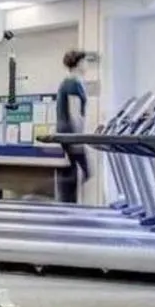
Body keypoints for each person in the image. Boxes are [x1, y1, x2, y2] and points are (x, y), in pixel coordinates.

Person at [57, 50, 90, 204]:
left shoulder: (70, 82)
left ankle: (67, 204)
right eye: (85, 61)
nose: (86, 65)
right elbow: (74, 112)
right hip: (70, 132)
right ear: (78, 64)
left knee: (74, 171)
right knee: (84, 171)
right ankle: (67, 205)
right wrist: (78, 139)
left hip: (67, 132)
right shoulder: (72, 83)